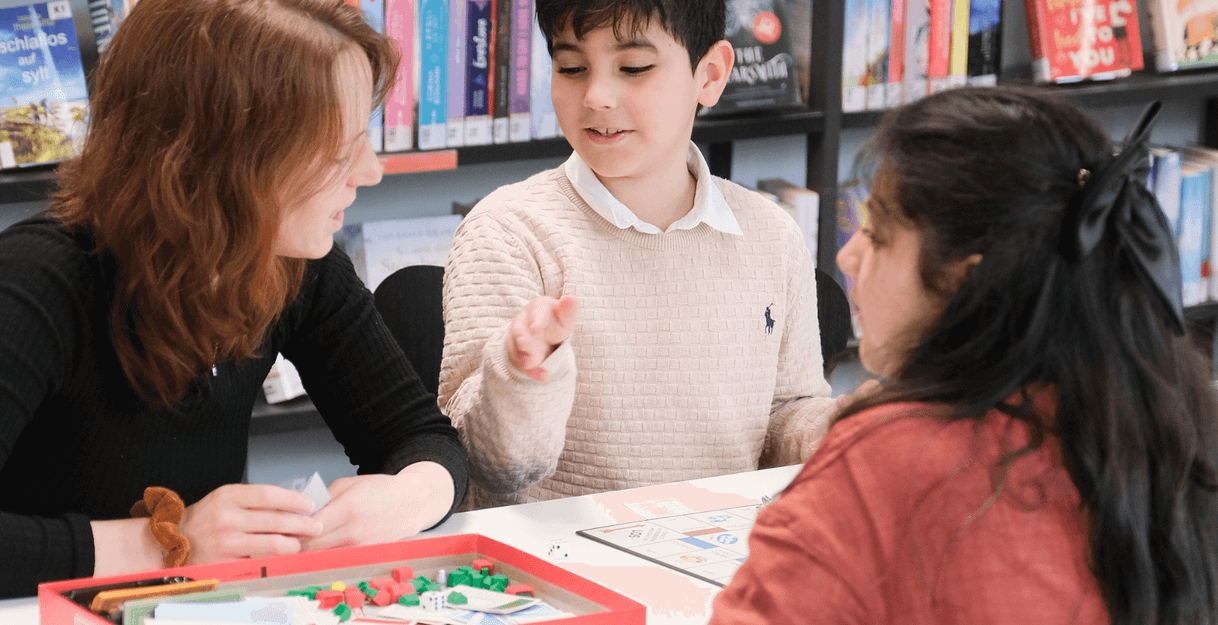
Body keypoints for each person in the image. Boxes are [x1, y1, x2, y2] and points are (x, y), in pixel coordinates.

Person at [0, 0, 468, 599]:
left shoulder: (295, 263)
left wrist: (405, 497)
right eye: (337, 149)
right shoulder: (38, 282)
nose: (371, 172)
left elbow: (422, 438)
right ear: (224, 156)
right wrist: (164, 542)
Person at [709, 86, 1218, 624]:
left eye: (878, 235)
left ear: (964, 278)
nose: (847, 254)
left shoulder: (891, 457)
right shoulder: (1160, 420)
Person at [439, 0, 836, 509]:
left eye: (633, 68)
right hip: (555, 565)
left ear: (710, 75)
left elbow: (783, 415)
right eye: (572, 68)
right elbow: (490, 466)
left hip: (715, 554)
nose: (597, 96)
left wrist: (836, 430)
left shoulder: (772, 235)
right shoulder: (507, 231)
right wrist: (521, 376)